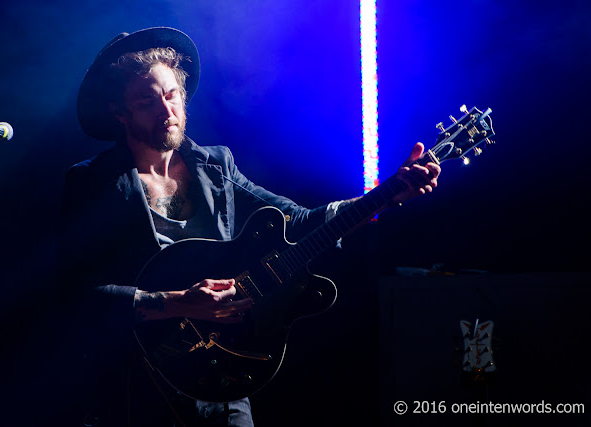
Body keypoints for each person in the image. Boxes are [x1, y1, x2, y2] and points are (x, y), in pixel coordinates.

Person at [59, 27, 440, 426]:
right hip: (136, 386)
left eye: (171, 94)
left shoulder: (217, 166)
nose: (165, 110)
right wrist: (177, 302)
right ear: (121, 113)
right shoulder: (93, 183)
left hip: (222, 377)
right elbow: (75, 295)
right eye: (146, 101)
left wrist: (385, 196)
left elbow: (300, 221)